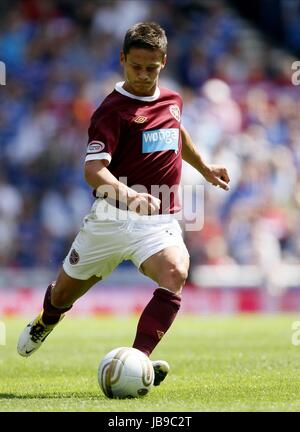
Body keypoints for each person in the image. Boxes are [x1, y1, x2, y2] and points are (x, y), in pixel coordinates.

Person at [17, 22, 230, 387]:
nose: (144, 75)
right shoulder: (111, 111)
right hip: (110, 219)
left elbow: (177, 132)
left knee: (176, 271)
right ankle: (45, 320)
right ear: (122, 60)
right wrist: (130, 195)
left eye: (151, 67)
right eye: (136, 67)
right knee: (64, 295)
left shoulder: (174, 101)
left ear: (163, 61)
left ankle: (137, 361)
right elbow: (93, 171)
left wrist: (205, 167)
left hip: (157, 219)